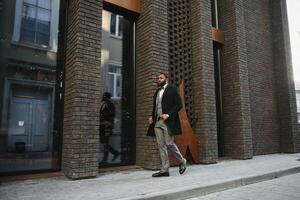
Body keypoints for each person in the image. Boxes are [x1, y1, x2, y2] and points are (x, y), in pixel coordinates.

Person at [147, 73, 187, 177]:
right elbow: (155, 106)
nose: (158, 79)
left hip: (167, 122)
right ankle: (164, 170)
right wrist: (152, 116)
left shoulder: (172, 89)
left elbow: (179, 105)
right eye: (158, 78)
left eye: (161, 78)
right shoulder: (157, 91)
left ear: (166, 79)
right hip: (157, 122)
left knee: (169, 143)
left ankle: (182, 160)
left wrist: (168, 115)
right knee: (161, 146)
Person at [99, 92, 120, 164]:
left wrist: (108, 123)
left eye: (104, 96)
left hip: (107, 126)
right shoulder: (103, 103)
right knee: (103, 142)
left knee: (105, 142)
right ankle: (115, 153)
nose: (103, 97)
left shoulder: (109, 104)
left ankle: (105, 159)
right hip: (102, 125)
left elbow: (111, 115)